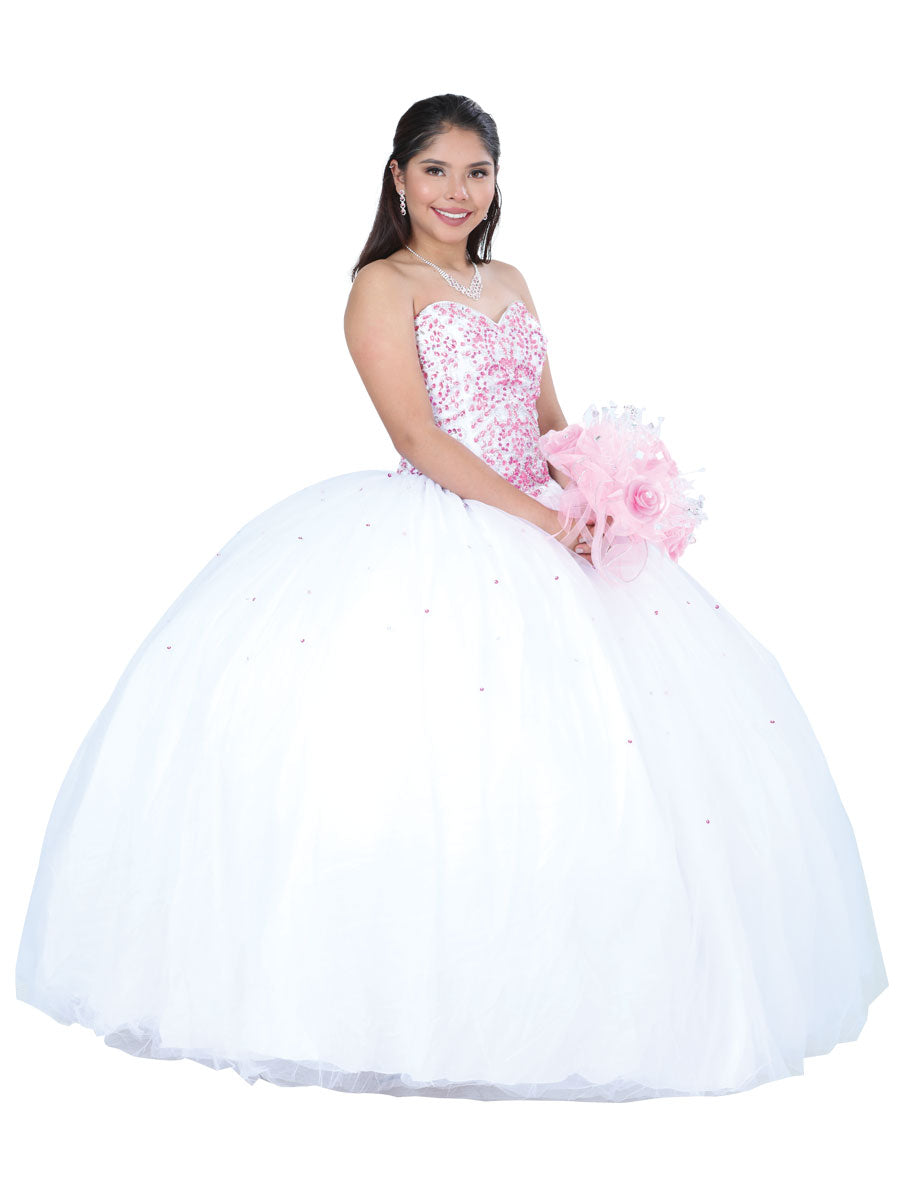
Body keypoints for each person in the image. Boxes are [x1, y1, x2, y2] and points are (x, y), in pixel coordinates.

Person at [16, 93, 887, 1103]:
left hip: (542, 520)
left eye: (477, 172)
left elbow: (547, 419)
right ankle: (405, 1009)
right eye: (436, 170)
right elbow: (418, 436)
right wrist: (538, 516)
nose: (458, 192)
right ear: (398, 177)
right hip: (443, 526)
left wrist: (602, 486)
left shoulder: (509, 280)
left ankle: (578, 997)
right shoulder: (380, 286)